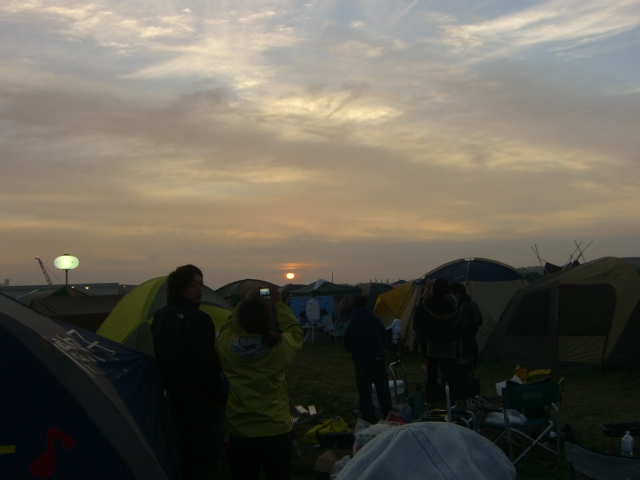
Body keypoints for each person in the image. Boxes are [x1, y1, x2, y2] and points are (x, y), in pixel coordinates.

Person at [215, 286, 303, 480]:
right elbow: (296, 332)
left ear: (240, 322)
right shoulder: (280, 347)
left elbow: (226, 330)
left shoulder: (228, 348)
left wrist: (242, 304)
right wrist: (279, 304)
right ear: (268, 320)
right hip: (276, 430)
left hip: (241, 432)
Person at [151, 264, 227, 480]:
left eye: (201, 284)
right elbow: (207, 364)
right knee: (205, 466)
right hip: (203, 408)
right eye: (193, 285)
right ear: (180, 287)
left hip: (175, 405)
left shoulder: (160, 317)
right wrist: (220, 397)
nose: (199, 289)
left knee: (183, 463)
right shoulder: (198, 319)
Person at [342, 295, 392, 424]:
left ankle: (369, 421)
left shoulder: (352, 323)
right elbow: (384, 338)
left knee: (364, 394)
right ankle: (389, 418)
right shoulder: (376, 320)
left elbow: (345, 343)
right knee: (383, 392)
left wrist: (356, 350)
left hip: (360, 361)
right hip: (377, 359)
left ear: (354, 307)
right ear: (367, 306)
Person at [414, 278, 458, 385]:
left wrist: (427, 287)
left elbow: (421, 301)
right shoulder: (452, 303)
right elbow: (453, 299)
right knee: (450, 369)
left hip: (434, 340)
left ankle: (434, 391)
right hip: (449, 340)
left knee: (432, 369)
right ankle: (450, 391)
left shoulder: (429, 303)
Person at [450, 282, 483, 366]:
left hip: (463, 342)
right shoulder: (473, 304)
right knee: (470, 366)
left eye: (452, 295)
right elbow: (480, 320)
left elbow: (461, 325)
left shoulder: (463, 306)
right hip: (472, 341)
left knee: (463, 365)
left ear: (457, 294)